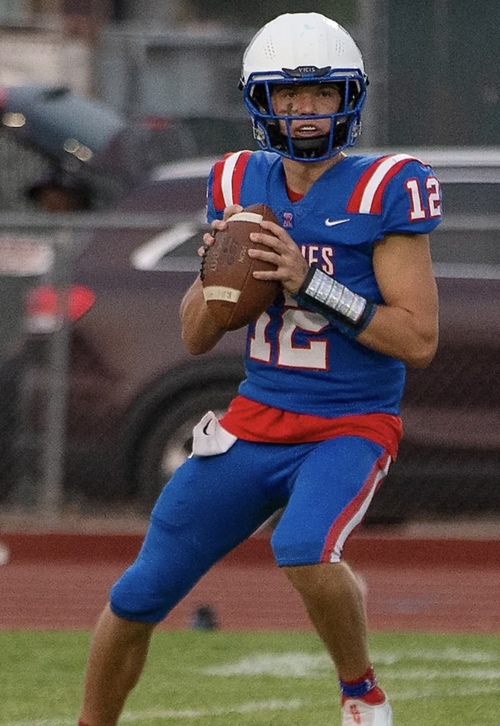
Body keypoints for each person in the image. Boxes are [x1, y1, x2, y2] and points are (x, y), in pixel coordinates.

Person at [78, 12, 441, 726]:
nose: (305, 110)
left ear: (349, 98)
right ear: (260, 100)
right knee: (138, 594)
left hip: (348, 422)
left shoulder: (385, 187)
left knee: (303, 547)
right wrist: (219, 276)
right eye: (289, 93)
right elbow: (195, 337)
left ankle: (362, 693)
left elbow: (418, 340)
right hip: (254, 422)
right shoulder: (239, 181)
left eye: (322, 92)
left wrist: (312, 283)